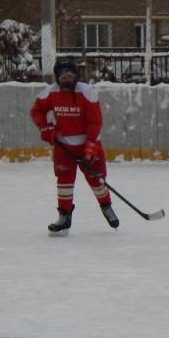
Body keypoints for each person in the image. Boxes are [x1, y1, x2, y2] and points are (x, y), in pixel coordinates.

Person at [30, 58, 119, 236]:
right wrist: (44, 127)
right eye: (63, 75)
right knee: (64, 181)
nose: (66, 78)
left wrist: (91, 146)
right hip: (64, 147)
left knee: (97, 181)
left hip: (89, 142)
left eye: (70, 74)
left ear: (75, 75)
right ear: (57, 77)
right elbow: (36, 110)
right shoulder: (50, 92)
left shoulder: (87, 92)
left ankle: (106, 206)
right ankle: (64, 217)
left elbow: (94, 121)